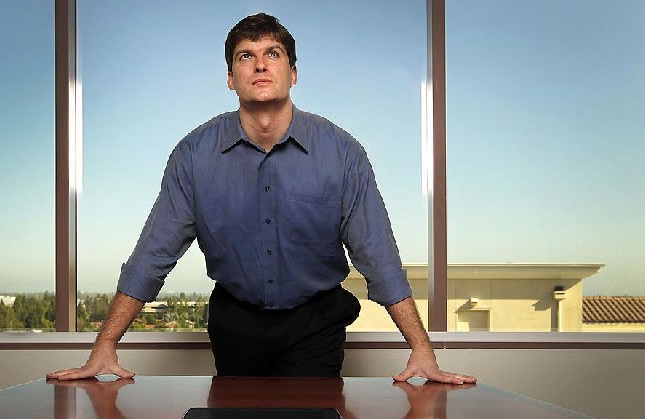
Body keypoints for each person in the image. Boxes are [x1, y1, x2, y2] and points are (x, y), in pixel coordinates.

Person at [47, 13, 476, 384]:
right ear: (230, 78)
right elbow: (151, 257)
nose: (260, 65)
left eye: (273, 53)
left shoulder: (343, 154)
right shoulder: (193, 156)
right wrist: (104, 345)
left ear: (293, 73)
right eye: (245, 56)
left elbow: (378, 257)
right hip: (235, 322)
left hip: (316, 322)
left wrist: (422, 349)